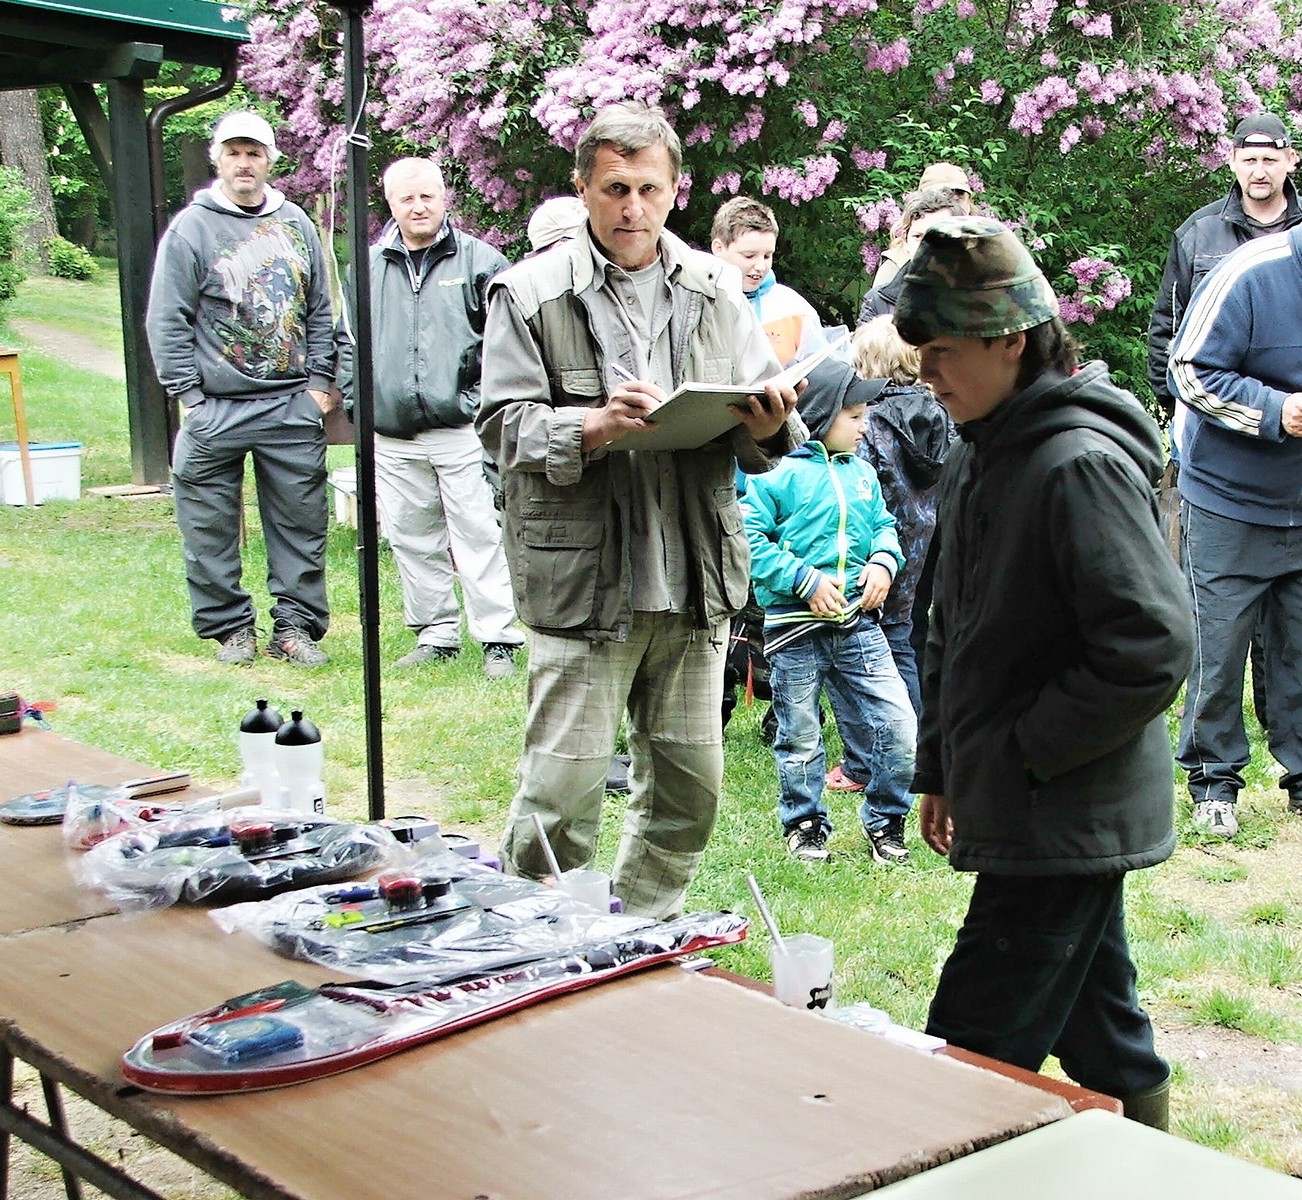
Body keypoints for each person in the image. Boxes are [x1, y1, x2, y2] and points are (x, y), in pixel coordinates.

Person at [894, 216, 1193, 1129]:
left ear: (1011, 341)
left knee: (973, 1040)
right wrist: (943, 767)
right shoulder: (982, 450)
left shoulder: (1076, 465)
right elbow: (952, 628)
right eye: (919, 352)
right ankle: (1152, 1177)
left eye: (943, 351)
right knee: (1104, 1029)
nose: (926, 373)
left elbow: (1151, 645)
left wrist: (1023, 754)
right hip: (1025, 795)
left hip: (1065, 805)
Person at [477, 100, 805, 920]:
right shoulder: (529, 292)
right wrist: (591, 427)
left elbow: (768, 422)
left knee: (690, 791)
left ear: (675, 191)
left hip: (694, 573)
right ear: (583, 188)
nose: (633, 208)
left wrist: (769, 423)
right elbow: (500, 426)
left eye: (649, 190)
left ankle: (640, 931)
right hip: (585, 578)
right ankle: (532, 940)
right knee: (561, 793)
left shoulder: (716, 289)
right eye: (615, 188)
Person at [146, 111, 336, 667]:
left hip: (289, 404)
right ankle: (231, 628)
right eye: (233, 152)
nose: (244, 163)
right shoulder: (192, 228)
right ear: (218, 159)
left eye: (254, 153)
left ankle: (294, 629)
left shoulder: (297, 223)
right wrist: (190, 396)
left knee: (302, 525)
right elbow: (167, 318)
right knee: (207, 527)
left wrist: (319, 386)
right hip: (216, 408)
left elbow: (321, 309)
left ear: (270, 160)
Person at [336, 157, 523, 677]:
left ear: (444, 198)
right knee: (411, 536)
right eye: (407, 198)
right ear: (390, 204)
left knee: (479, 532)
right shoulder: (366, 268)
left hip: (461, 429)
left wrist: (478, 403)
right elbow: (348, 344)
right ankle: (435, 634)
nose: (418, 207)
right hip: (393, 433)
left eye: (427, 197)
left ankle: (497, 638)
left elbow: (507, 346)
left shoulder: (482, 261)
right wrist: (359, 405)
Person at [743, 359, 916, 864]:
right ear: (819, 415)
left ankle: (887, 820)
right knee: (800, 737)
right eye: (855, 416)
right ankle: (805, 825)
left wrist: (884, 562)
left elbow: (884, 527)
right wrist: (805, 580)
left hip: (859, 627)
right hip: (794, 633)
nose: (865, 426)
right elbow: (748, 540)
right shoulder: (774, 473)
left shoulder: (862, 474)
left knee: (900, 726)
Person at [1167, 225, 1302, 832]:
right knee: (1217, 653)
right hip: (1230, 500)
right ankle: (1213, 783)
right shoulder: (1249, 272)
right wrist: (1276, 410)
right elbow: (1188, 370)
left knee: (1299, 653)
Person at [1147, 112, 1301, 422]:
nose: (1259, 172)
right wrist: (1177, 408)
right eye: (1249, 160)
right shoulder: (1198, 233)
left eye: (1269, 161)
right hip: (1216, 413)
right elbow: (1168, 327)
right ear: (1232, 160)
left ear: (1291, 160)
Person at [710, 196, 826, 367]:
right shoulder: (695, 301)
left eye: (767, 256)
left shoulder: (794, 308)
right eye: (749, 256)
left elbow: (820, 370)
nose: (760, 266)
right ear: (718, 248)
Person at [858, 187, 967, 324]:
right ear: (905, 239)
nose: (926, 245)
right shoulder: (878, 302)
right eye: (918, 236)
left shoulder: (981, 297)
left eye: (939, 236)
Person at [872, 161, 974, 289]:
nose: (951, 203)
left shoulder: (985, 250)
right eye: (940, 196)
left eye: (959, 196)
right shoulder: (896, 264)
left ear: (969, 203)